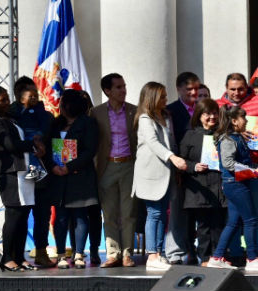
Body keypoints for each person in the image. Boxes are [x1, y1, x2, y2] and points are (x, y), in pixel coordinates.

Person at [216, 73, 258, 257]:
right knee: (234, 214)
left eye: (241, 89)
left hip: (257, 164)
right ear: (226, 88)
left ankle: (255, 252)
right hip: (232, 170)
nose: (236, 93)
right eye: (232, 89)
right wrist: (234, 132)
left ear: (247, 88)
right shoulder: (220, 105)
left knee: (257, 209)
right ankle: (235, 252)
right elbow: (214, 130)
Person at [0, 85, 45, 272]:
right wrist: (32, 144)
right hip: (9, 172)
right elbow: (9, 145)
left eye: (7, 98)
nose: (7, 102)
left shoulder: (10, 118)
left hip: (24, 170)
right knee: (14, 215)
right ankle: (7, 258)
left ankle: (20, 257)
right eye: (2, 100)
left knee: (24, 213)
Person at [208, 105, 258, 272]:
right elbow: (228, 164)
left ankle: (217, 257)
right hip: (235, 185)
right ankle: (252, 258)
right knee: (250, 220)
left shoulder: (236, 137)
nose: (246, 121)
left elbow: (242, 160)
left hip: (237, 184)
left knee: (233, 222)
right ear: (234, 121)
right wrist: (252, 170)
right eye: (243, 117)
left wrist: (255, 169)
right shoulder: (228, 140)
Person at [131, 82, 188, 271]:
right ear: (152, 97)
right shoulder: (145, 118)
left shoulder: (165, 116)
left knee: (163, 214)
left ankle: (159, 252)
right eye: (162, 96)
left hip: (167, 172)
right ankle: (152, 255)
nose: (165, 100)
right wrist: (173, 158)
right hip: (150, 173)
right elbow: (154, 143)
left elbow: (170, 142)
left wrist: (176, 163)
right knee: (154, 213)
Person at [43, 89, 100, 269]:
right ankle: (61, 254)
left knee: (81, 215)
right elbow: (46, 148)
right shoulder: (55, 124)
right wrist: (53, 167)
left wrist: (69, 167)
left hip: (79, 175)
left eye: (63, 104)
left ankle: (79, 254)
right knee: (60, 217)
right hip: (58, 177)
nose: (60, 107)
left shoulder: (88, 123)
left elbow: (90, 151)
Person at [90, 73, 138, 268]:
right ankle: (113, 253)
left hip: (129, 165)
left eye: (124, 86)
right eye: (118, 87)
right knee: (109, 213)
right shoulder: (96, 112)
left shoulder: (135, 111)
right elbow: (93, 141)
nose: (123, 90)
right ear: (107, 91)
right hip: (107, 165)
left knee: (128, 212)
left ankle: (127, 254)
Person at [8, 76, 56, 268]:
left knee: (42, 213)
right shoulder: (11, 115)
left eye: (36, 92)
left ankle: (41, 252)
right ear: (19, 95)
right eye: (31, 93)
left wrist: (41, 141)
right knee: (19, 213)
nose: (35, 96)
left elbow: (49, 136)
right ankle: (14, 255)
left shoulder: (46, 115)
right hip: (19, 171)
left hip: (40, 171)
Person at [178, 98, 226, 266]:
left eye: (214, 113)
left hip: (219, 186)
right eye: (207, 113)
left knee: (219, 224)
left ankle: (218, 255)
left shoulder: (222, 134)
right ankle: (205, 257)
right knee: (204, 225)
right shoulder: (190, 135)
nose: (212, 117)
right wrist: (194, 166)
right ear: (199, 115)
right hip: (198, 188)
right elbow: (181, 160)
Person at [165, 72, 202, 265]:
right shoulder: (169, 110)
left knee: (200, 212)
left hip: (202, 168)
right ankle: (178, 252)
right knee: (179, 213)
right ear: (179, 89)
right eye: (188, 89)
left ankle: (198, 250)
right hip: (180, 168)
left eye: (196, 88)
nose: (193, 92)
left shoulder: (204, 108)